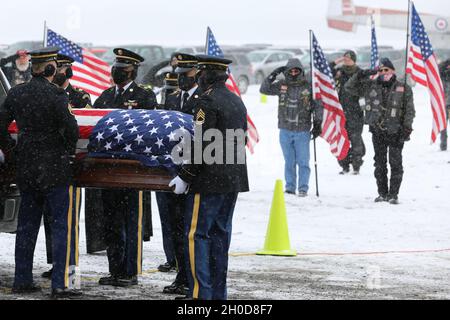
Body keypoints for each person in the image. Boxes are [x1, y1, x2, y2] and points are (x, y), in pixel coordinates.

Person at [0, 47, 81, 298]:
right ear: (50, 69)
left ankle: (22, 279)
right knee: (60, 228)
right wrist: (67, 153)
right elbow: (72, 130)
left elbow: (0, 125)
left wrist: (11, 149)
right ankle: (61, 284)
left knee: (26, 227)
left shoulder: (16, 94)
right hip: (55, 168)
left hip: (26, 167)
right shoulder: (57, 95)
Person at [169, 54, 249, 300]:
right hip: (232, 179)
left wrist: (185, 175)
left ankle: (200, 294)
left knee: (197, 236)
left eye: (200, 73)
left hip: (209, 180)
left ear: (207, 75)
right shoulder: (236, 101)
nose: (198, 78)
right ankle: (217, 293)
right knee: (220, 237)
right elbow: (238, 140)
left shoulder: (207, 102)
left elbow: (203, 143)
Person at [94, 48, 156, 287]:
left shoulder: (145, 97)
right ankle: (115, 268)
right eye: (115, 67)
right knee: (111, 223)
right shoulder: (106, 95)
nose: (116, 72)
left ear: (133, 71)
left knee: (131, 223)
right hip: (109, 170)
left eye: (122, 69)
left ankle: (129, 271)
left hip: (133, 172)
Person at [41, 53, 93, 279]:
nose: (61, 72)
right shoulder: (47, 94)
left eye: (64, 68)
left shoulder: (79, 97)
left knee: (68, 219)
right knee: (50, 218)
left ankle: (70, 265)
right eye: (58, 68)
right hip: (47, 163)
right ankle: (55, 262)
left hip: (70, 165)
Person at [157, 53, 202, 296]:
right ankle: (180, 274)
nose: (181, 78)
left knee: (189, 229)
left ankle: (191, 277)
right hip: (173, 171)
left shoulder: (202, 100)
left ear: (195, 74)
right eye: (180, 74)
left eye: (186, 74)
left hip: (193, 171)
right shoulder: (172, 99)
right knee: (175, 227)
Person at [345, 58, 416, 204]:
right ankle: (382, 193)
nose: (384, 73)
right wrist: (360, 74)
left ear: (392, 71)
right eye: (381, 70)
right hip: (378, 130)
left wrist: (407, 128)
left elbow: (410, 110)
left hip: (396, 131)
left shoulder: (403, 88)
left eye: (386, 70)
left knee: (395, 163)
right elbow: (349, 87)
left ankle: (393, 194)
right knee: (379, 163)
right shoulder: (370, 85)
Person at [260, 58, 322, 197]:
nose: (293, 73)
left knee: (303, 162)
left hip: (302, 130)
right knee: (289, 161)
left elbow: (318, 105)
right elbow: (263, 89)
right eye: (291, 71)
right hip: (285, 129)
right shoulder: (281, 85)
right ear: (287, 72)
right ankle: (290, 187)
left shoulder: (308, 86)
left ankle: (303, 188)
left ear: (301, 71)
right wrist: (273, 74)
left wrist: (318, 122)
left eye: (296, 70)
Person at [330, 50, 366, 174]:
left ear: (354, 60)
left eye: (349, 59)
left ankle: (356, 166)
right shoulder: (339, 72)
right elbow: (325, 70)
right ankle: (344, 166)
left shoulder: (359, 73)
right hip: (341, 112)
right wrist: (336, 61)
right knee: (342, 139)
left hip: (355, 112)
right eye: (344, 58)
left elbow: (364, 91)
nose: (346, 61)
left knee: (356, 139)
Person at [439, 59, 450, 151]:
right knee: (443, 125)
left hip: (445, 103)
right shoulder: (442, 71)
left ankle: (443, 144)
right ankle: (443, 144)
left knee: (443, 125)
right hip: (444, 104)